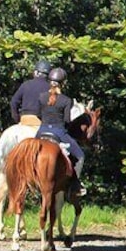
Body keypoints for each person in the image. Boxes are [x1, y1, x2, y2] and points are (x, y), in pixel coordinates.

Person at [36, 67, 86, 197]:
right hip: (59, 132)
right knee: (80, 156)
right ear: (62, 83)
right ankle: (75, 185)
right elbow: (67, 120)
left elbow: (37, 115)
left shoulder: (41, 97)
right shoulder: (66, 100)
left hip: (41, 131)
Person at [10, 60, 51, 126]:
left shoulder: (26, 84)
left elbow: (13, 102)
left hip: (24, 120)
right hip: (41, 122)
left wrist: (17, 118)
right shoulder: (50, 88)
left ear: (36, 72)